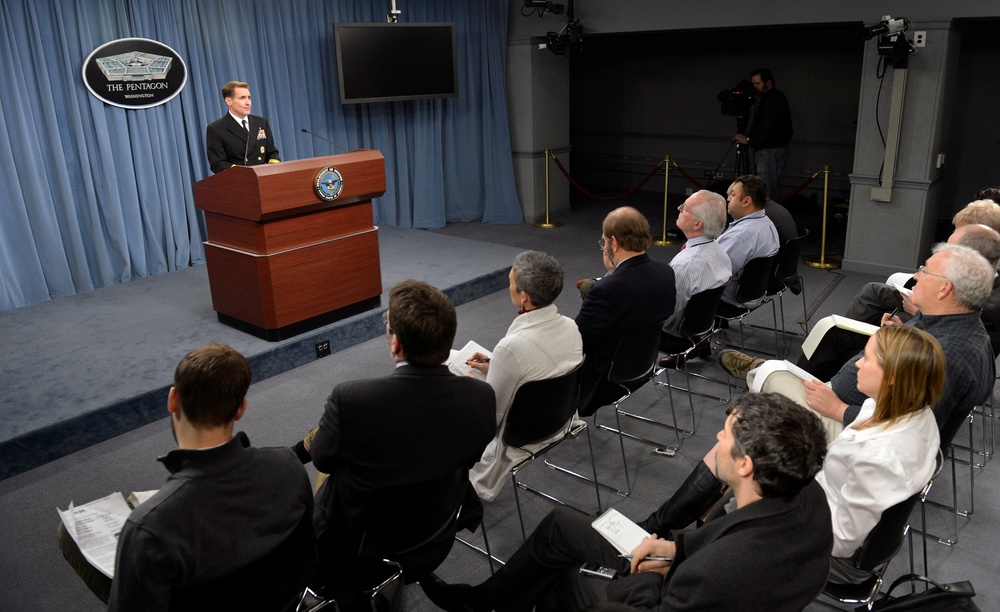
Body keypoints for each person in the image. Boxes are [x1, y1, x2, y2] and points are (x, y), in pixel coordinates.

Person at [420, 393, 832, 612]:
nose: (717, 441)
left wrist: (658, 574)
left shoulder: (715, 574)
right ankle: (485, 603)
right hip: (683, 569)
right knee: (562, 525)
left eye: (724, 436)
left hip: (663, 593)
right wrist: (675, 549)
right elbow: (726, 540)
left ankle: (493, 604)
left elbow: (673, 597)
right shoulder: (808, 496)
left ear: (745, 465)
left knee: (561, 576)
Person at [58, 344, 315, 610]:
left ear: (172, 399)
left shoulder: (150, 529)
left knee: (67, 534)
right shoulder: (289, 466)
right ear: (241, 408)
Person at [303, 280, 496, 608]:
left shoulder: (352, 399)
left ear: (395, 346)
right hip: (435, 532)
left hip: (360, 543)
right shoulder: (481, 396)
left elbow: (322, 460)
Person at [724, 243, 994, 443]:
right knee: (774, 376)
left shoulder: (945, 354)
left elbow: (905, 432)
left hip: (852, 431)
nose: (916, 276)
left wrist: (838, 409)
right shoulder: (959, 324)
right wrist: (902, 332)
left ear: (944, 289)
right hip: (855, 404)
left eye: (925, 271)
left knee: (768, 379)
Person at [820, 325, 942, 584]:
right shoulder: (910, 409)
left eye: (866, 358)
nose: (857, 365)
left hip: (831, 552)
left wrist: (786, 503)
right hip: (827, 498)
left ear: (892, 376)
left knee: (739, 495)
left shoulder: (879, 456)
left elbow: (841, 541)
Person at [466, 251, 584, 502]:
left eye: (510, 282)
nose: (508, 286)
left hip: (521, 436)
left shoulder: (512, 348)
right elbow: (543, 372)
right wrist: (495, 367)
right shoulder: (571, 327)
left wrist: (477, 390)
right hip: (556, 422)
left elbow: (492, 418)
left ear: (524, 297)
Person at [575, 207, 676, 417]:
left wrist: (611, 278)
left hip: (603, 379)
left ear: (614, 242)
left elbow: (578, 342)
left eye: (604, 242)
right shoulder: (666, 272)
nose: (604, 246)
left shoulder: (605, 291)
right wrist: (614, 272)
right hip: (644, 368)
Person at [657, 190, 731, 366]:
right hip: (702, 324)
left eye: (684, 208)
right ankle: (701, 341)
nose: (678, 208)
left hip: (675, 334)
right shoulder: (721, 252)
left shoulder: (684, 265)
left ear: (698, 223)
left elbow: (669, 317)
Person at [716, 175, 780, 309]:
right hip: (754, 293)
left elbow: (714, 272)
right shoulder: (767, 224)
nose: (728, 198)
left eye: (732, 195)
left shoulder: (741, 237)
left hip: (729, 298)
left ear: (746, 201)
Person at [732, 68, 793, 200]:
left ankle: (767, 219)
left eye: (757, 84)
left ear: (769, 82)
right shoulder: (772, 98)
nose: (754, 87)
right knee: (766, 190)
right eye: (753, 84)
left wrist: (749, 139)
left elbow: (767, 126)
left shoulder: (772, 99)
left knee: (767, 192)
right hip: (771, 151)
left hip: (770, 152)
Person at [205, 80, 280, 173]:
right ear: (229, 101)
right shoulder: (216, 128)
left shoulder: (261, 123)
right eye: (242, 98)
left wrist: (273, 168)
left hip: (263, 178)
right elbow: (217, 163)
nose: (248, 102)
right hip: (238, 181)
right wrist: (241, 173)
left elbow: (272, 153)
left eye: (249, 97)